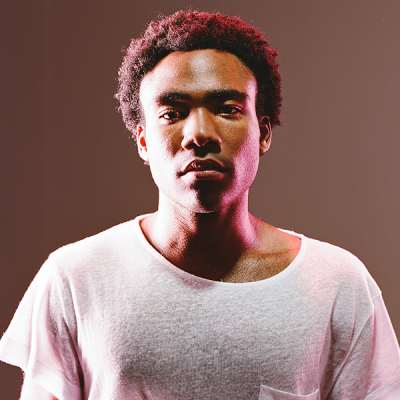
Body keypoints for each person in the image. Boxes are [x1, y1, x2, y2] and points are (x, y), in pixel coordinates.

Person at [1, 10, 399, 400]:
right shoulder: (74, 279)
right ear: (143, 141)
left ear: (263, 133)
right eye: (172, 113)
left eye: (227, 109)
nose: (200, 134)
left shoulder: (338, 284)